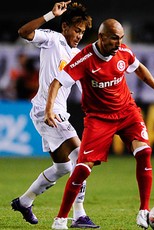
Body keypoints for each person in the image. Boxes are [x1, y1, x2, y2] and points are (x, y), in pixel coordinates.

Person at [44, 18, 154, 229]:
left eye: (121, 38)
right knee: (82, 169)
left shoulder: (123, 52)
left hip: (127, 112)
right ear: (101, 37)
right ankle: (60, 220)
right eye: (114, 38)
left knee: (144, 152)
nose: (118, 43)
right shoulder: (84, 59)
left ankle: (143, 211)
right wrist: (49, 109)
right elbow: (57, 81)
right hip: (99, 118)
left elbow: (139, 68)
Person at [11, 1, 99, 228]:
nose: (79, 36)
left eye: (82, 32)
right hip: (46, 111)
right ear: (66, 27)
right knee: (82, 157)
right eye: (77, 30)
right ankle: (79, 215)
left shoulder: (77, 54)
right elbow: (23, 32)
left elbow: (84, 88)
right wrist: (51, 14)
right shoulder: (53, 39)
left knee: (64, 168)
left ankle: (25, 201)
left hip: (60, 114)